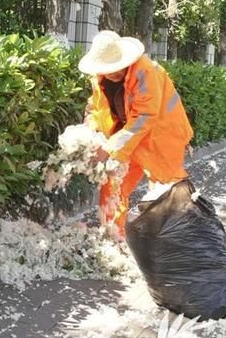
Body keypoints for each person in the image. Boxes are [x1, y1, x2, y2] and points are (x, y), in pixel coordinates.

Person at [79, 30, 194, 238]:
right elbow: (97, 108)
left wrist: (110, 148)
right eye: (106, 69)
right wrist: (91, 129)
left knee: (168, 192)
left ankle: (173, 241)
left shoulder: (147, 72)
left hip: (161, 137)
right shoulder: (99, 78)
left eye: (115, 67)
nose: (111, 72)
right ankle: (113, 235)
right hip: (126, 138)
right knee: (112, 184)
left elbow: (144, 117)